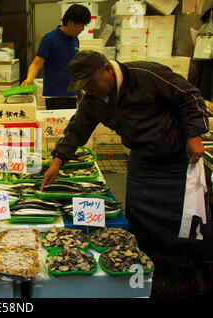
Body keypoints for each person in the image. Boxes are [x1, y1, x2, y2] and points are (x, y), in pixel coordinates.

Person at [41, 50, 213, 296]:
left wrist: (194, 135)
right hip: (142, 161)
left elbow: (190, 96)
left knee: (194, 218)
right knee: (140, 218)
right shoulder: (94, 99)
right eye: (83, 86)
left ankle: (200, 266)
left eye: (90, 82)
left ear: (108, 70)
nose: (88, 89)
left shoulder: (146, 75)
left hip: (178, 158)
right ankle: (144, 261)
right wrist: (57, 161)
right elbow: (78, 128)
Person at [21, 4, 91, 110]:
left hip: (71, 95)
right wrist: (29, 79)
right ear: (71, 23)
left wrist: (80, 94)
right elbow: (36, 63)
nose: (83, 29)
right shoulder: (50, 39)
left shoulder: (75, 40)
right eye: (81, 25)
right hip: (55, 96)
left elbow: (75, 69)